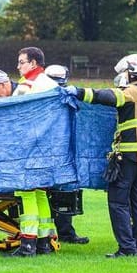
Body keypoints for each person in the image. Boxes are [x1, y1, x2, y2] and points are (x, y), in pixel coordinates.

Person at [68, 53, 137, 258]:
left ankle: (126, 248)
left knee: (118, 201)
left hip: (129, 156)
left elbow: (104, 96)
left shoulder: (133, 93)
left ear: (133, 72)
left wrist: (78, 91)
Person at [0, 47, 59, 257]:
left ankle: (27, 245)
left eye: (21, 62)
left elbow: (15, 117)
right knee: (40, 194)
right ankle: (44, 242)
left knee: (27, 194)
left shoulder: (26, 86)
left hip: (28, 148)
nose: (18, 66)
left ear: (33, 63)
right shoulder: (52, 84)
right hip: (48, 148)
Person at [45, 64, 89, 245]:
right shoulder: (42, 98)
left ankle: (65, 233)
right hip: (49, 152)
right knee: (50, 193)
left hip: (62, 152)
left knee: (63, 191)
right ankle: (54, 234)